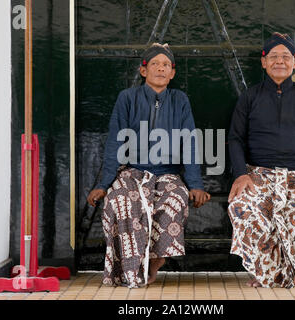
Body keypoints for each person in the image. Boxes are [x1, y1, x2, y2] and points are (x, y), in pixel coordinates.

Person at [87, 43, 210, 288]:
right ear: (144, 70)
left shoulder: (179, 100)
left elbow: (189, 142)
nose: (161, 69)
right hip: (134, 170)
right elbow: (115, 141)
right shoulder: (128, 97)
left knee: (175, 199)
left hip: (168, 173)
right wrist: (104, 183)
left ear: (172, 73)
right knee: (119, 200)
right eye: (155, 64)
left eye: (166, 65)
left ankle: (153, 265)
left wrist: (195, 184)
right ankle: (130, 271)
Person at [227, 33, 295, 288]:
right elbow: (235, 139)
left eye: (285, 57)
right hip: (259, 176)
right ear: (263, 62)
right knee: (242, 208)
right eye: (273, 57)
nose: (280, 61)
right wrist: (241, 175)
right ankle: (262, 271)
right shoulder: (250, 97)